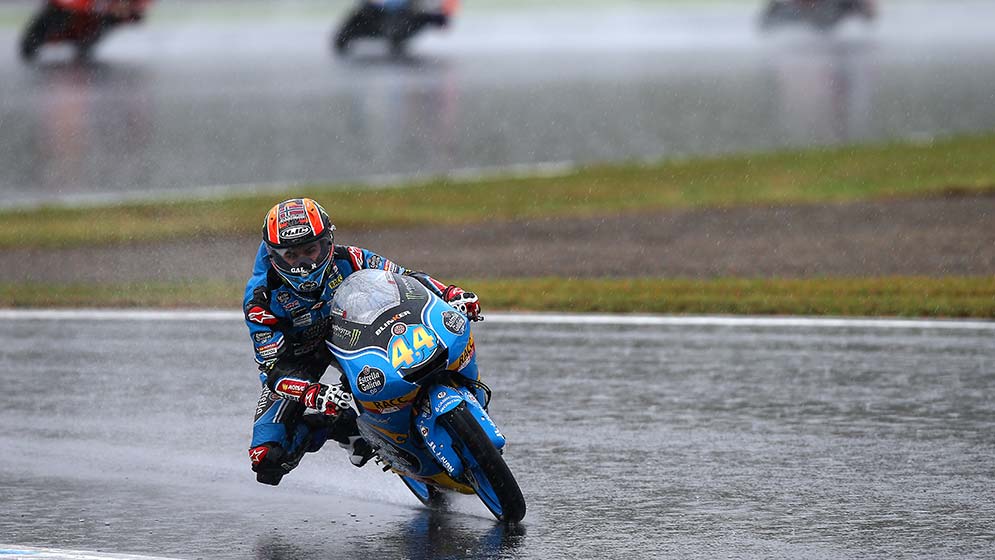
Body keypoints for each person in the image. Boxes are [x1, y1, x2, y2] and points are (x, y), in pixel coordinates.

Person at [244, 198, 481, 485]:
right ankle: (341, 428)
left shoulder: (351, 257)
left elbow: (407, 278)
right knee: (266, 458)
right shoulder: (261, 299)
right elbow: (271, 370)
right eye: (292, 256)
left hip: (352, 332)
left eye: (310, 250)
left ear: (327, 241)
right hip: (297, 359)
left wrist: (452, 294)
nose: (305, 264)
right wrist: (312, 394)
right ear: (274, 256)